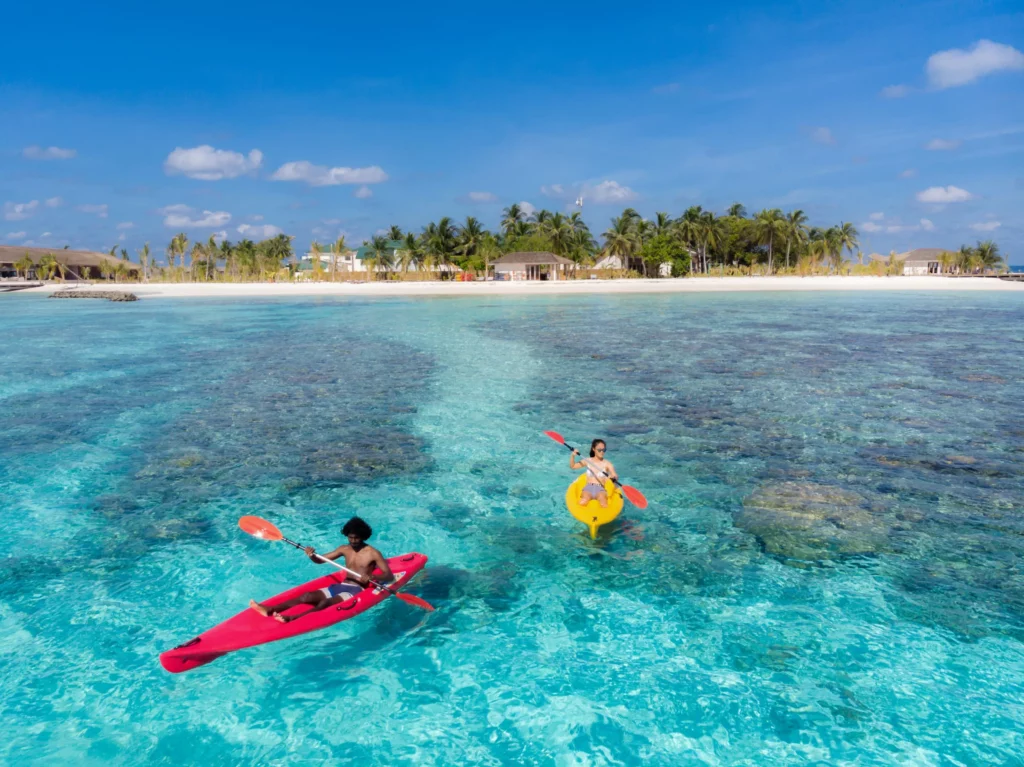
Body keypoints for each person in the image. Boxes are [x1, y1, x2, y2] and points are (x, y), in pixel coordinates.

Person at [249, 517, 394, 624]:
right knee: (306, 597)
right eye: (350, 537)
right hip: (341, 586)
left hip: (355, 590)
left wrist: (372, 577)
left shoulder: (372, 553)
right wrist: (312, 555)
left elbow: (388, 575)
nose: (353, 541)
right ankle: (270, 610)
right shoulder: (344, 549)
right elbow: (320, 560)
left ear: (363, 536)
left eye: (356, 538)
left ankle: (292, 618)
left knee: (324, 604)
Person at [570, 438, 618, 508]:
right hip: (588, 488)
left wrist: (613, 477)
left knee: (603, 504)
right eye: (599, 450)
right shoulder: (588, 460)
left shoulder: (607, 464)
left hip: (600, 489)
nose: (602, 452)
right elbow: (573, 466)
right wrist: (573, 456)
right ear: (593, 449)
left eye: (604, 450)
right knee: (583, 501)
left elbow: (614, 475)